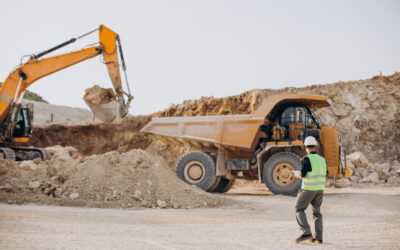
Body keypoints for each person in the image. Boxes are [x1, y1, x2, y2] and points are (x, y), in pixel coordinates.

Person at [293, 136, 327, 244]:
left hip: (309, 188)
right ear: (316, 146)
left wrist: (295, 175)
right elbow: (326, 174)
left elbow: (303, 175)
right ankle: (318, 237)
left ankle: (306, 232)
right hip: (320, 189)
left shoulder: (306, 159)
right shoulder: (322, 159)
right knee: (317, 213)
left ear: (305, 147)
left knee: (298, 209)